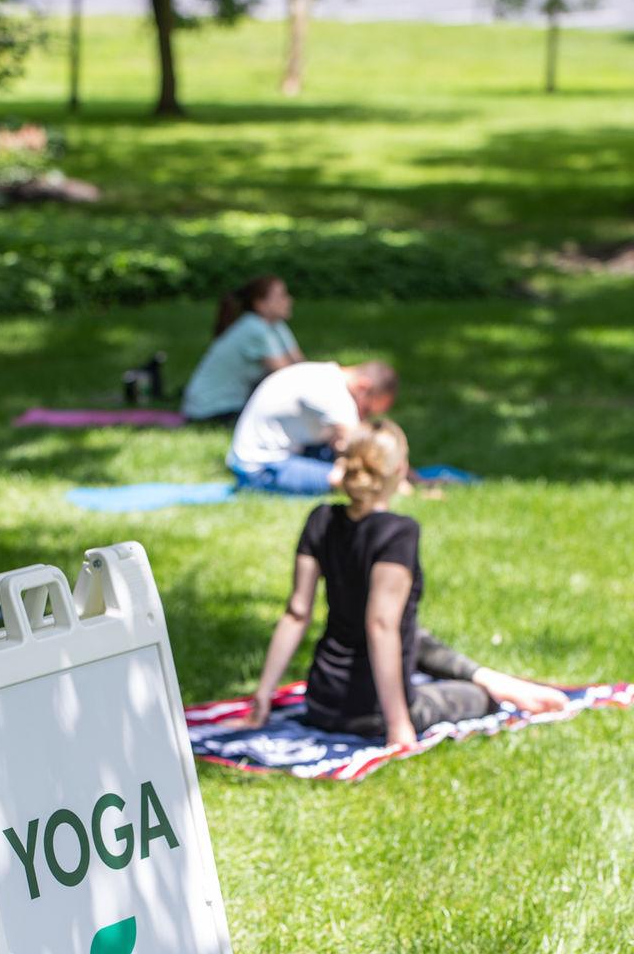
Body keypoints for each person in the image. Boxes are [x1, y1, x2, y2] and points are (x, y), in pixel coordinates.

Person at [246, 418, 566, 747]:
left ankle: (495, 678)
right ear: (400, 469)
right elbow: (381, 625)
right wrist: (398, 723)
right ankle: (495, 686)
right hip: (371, 713)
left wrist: (263, 695)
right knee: (478, 698)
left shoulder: (321, 519)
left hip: (320, 703)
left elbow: (297, 613)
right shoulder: (398, 532)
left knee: (419, 638)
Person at [227, 359, 398, 496]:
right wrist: (396, 479)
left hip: (276, 453)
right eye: (366, 409)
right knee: (355, 481)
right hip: (260, 469)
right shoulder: (332, 393)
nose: (364, 417)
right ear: (363, 386)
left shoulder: (325, 374)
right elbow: (362, 445)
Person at [182, 275, 302, 425]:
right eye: (281, 296)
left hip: (231, 404)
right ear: (260, 305)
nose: (289, 300)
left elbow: (299, 364)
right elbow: (285, 374)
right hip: (211, 409)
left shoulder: (276, 325)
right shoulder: (254, 329)